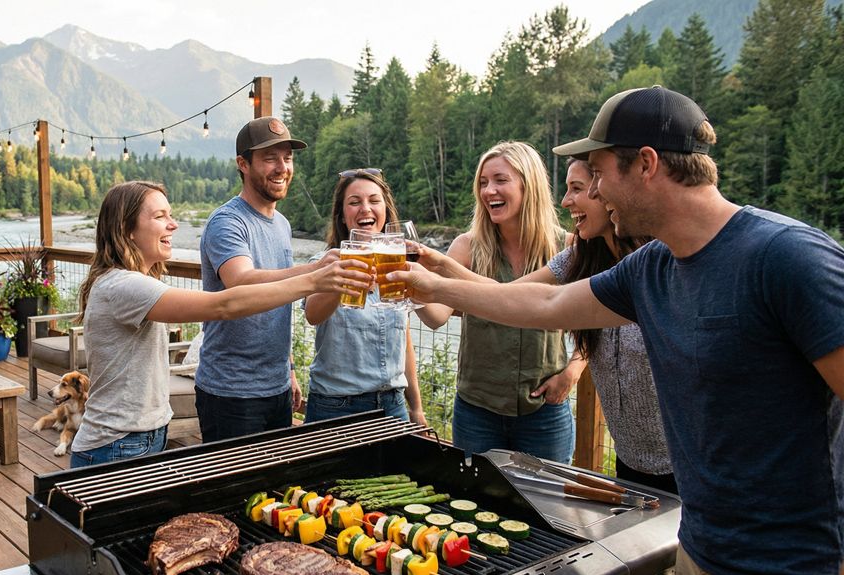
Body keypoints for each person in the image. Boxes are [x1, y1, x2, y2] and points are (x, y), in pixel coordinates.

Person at [389, 86, 844, 575]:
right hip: (698, 560)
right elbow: (548, 306)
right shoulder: (653, 266)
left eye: (600, 171)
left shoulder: (787, 259)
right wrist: (433, 284)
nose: (594, 189)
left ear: (647, 165)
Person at [424, 157, 675, 575]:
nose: (569, 200)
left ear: (609, 193)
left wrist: (573, 370)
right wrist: (432, 273)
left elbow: (545, 310)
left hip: (678, 460)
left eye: (580, 188)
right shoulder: (578, 256)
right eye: (484, 180)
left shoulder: (647, 261)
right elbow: (512, 298)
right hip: (629, 459)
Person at [69, 181, 371, 468]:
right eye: (161, 216)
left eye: (171, 215)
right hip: (116, 444)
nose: (173, 224)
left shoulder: (131, 282)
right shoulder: (123, 286)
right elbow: (224, 304)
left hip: (136, 438)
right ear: (126, 229)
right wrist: (315, 278)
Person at [196, 116, 340, 442]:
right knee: (235, 491)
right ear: (243, 164)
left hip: (276, 388)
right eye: (270, 158)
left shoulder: (282, 224)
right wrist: (315, 271)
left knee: (272, 490)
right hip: (231, 393)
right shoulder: (227, 222)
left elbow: (279, 302)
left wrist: (288, 370)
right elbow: (241, 282)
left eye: (287, 158)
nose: (282, 167)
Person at [443, 141, 579, 464]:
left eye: (500, 180)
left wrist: (571, 373)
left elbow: (598, 320)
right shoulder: (466, 248)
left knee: (546, 510)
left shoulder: (568, 247)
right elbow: (435, 314)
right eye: (483, 183)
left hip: (545, 414)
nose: (489, 191)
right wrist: (415, 286)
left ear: (527, 184)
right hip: (476, 413)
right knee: (473, 507)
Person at [302, 168, 450, 425]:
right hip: (335, 405)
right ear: (342, 215)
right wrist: (344, 277)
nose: (365, 209)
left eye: (374, 200)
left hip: (392, 405)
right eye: (354, 202)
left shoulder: (399, 266)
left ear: (385, 210)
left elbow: (424, 325)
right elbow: (313, 315)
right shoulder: (326, 263)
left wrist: (416, 407)